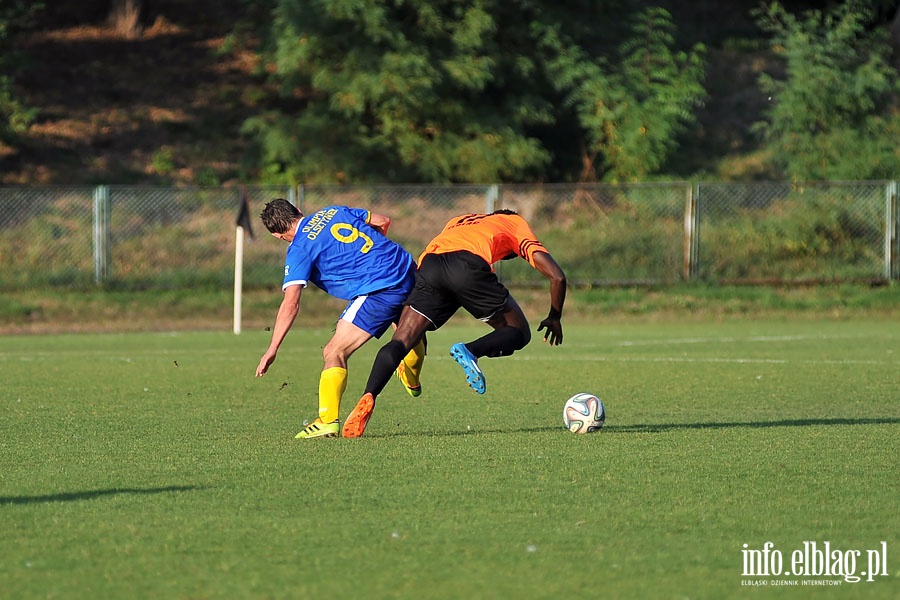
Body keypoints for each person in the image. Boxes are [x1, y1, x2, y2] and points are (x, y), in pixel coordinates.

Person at [341, 209, 566, 438]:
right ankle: (471, 350)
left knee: (401, 340)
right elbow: (557, 276)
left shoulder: (461, 220)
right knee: (518, 331)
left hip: (430, 266)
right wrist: (554, 316)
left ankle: (368, 396)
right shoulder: (514, 222)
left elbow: (449, 263)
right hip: (467, 266)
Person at [255, 198, 426, 439]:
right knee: (407, 331)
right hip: (408, 269)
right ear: (299, 211)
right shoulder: (333, 211)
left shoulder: (299, 249)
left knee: (334, 352)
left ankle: (327, 420)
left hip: (380, 289)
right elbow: (383, 221)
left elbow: (291, 303)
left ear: (277, 235)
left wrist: (272, 348)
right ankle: (412, 375)